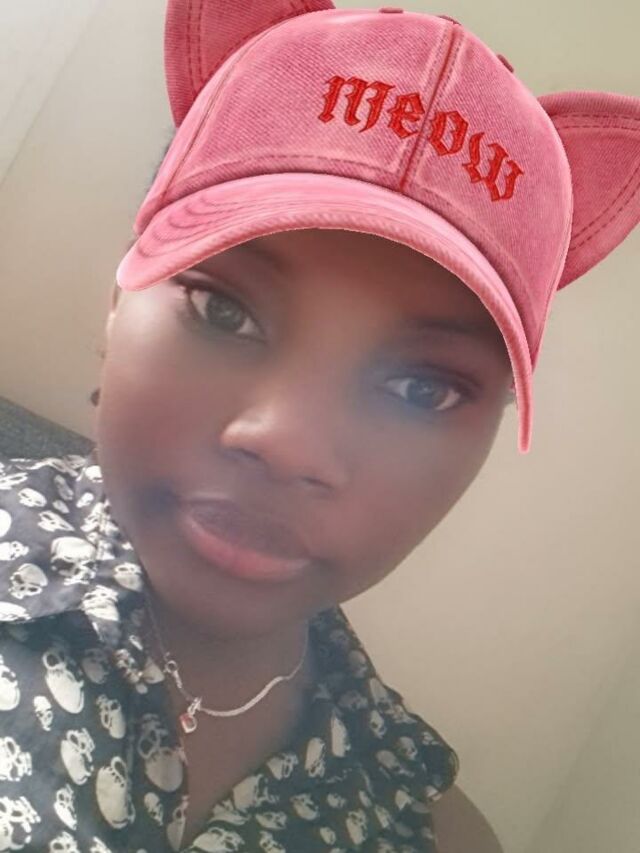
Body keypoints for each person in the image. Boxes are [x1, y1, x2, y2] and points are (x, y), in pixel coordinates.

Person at [0, 2, 638, 851]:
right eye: (224, 310)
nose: (290, 441)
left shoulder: (432, 830)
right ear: (122, 299)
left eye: (423, 388)